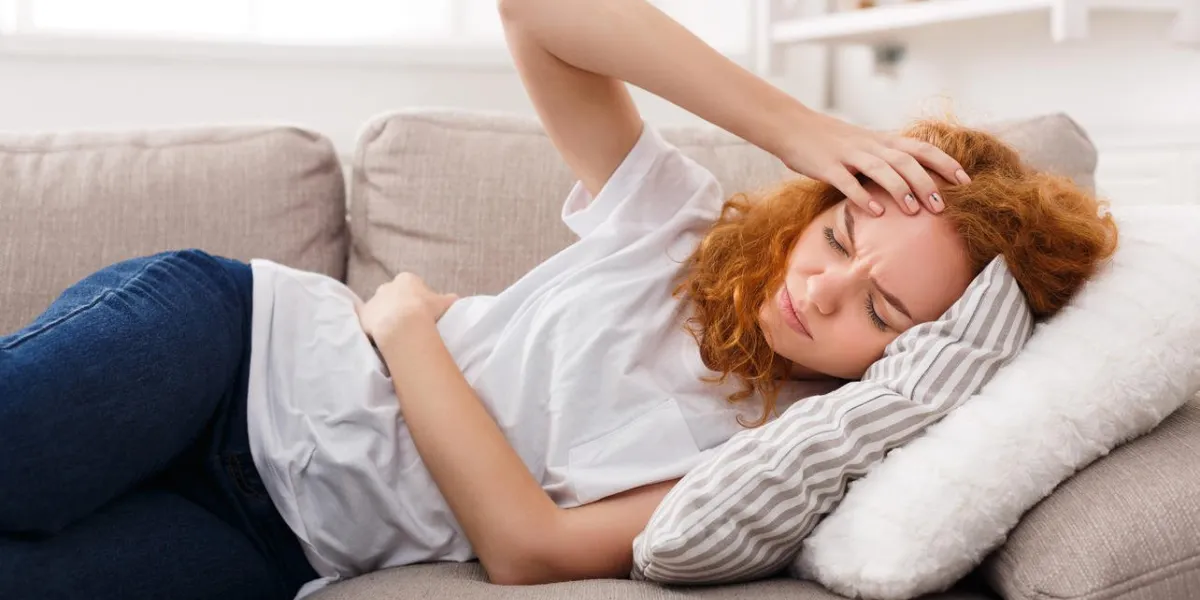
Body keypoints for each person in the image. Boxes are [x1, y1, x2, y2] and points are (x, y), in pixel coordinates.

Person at [0, 0, 1117, 599]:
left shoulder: (769, 465)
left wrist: (398, 328)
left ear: (932, 361)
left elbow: (526, 550)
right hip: (228, 347)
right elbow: (537, 6)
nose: (821, 291)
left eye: (882, 314)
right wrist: (803, 130)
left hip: (279, 542)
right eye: (836, 233)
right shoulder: (672, 230)